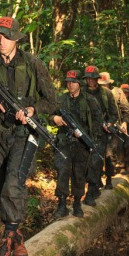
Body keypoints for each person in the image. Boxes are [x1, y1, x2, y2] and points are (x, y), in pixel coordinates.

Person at [0, 17, 59, 256]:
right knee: (1, 184)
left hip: (23, 135)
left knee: (13, 184)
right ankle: (17, 237)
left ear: (16, 39)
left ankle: (4, 247)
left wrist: (32, 109)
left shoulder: (33, 64)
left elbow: (52, 101)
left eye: (4, 36)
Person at [50, 70, 103, 217]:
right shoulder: (60, 100)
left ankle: (77, 203)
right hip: (64, 143)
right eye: (68, 82)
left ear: (79, 83)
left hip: (82, 144)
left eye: (73, 82)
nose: (70, 85)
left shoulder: (90, 100)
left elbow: (98, 122)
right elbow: (49, 116)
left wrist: (94, 142)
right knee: (62, 172)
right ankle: (61, 204)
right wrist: (54, 118)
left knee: (79, 174)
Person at [83, 65, 127, 206]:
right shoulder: (81, 92)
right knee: (84, 163)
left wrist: (109, 123)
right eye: (87, 78)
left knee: (97, 161)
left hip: (100, 133)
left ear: (97, 79)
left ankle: (91, 191)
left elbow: (114, 114)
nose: (90, 81)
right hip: (83, 132)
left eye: (92, 78)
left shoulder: (106, 94)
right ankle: (94, 187)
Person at [97, 71, 129, 186]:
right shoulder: (93, 92)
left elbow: (126, 110)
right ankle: (97, 180)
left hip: (113, 127)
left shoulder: (117, 92)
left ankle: (109, 179)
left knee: (110, 154)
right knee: (97, 154)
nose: (102, 87)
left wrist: (125, 123)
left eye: (104, 84)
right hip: (97, 128)